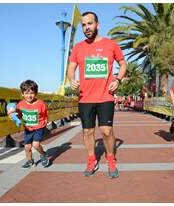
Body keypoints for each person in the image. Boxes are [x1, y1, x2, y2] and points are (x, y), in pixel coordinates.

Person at [68, 11, 126, 178]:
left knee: (106, 131)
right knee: (87, 132)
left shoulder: (111, 44)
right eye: (84, 25)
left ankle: (110, 158)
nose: (87, 27)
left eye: (90, 23)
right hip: (85, 98)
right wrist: (72, 80)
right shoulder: (78, 48)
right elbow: (71, 69)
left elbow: (123, 64)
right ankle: (92, 159)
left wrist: (118, 80)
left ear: (97, 25)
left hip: (105, 96)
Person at [7, 80, 50, 168]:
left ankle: (43, 155)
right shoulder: (20, 104)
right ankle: (30, 161)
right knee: (27, 147)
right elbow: (17, 116)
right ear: (22, 94)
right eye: (26, 93)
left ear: (36, 93)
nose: (29, 96)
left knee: (36, 144)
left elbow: (45, 114)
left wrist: (45, 121)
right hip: (28, 129)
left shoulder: (41, 104)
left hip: (39, 128)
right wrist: (12, 116)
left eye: (31, 93)